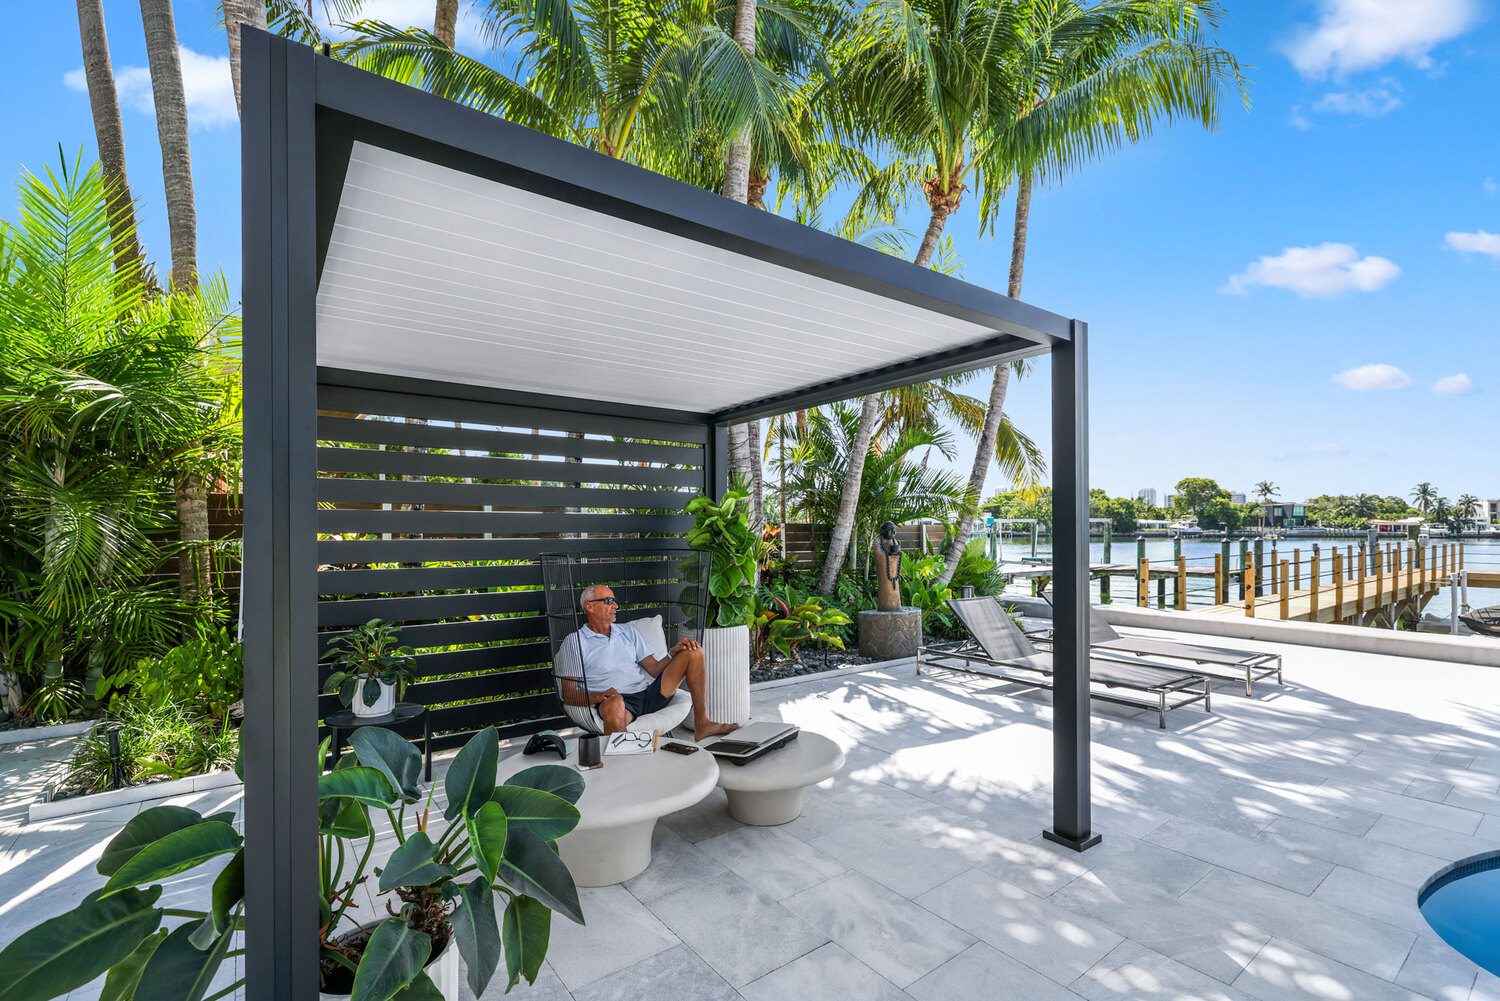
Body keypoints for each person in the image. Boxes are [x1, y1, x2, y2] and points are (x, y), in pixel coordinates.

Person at [554, 584, 739, 742]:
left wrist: (672, 654)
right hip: (620, 705)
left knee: (693, 652)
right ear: (590, 607)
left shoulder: (628, 632)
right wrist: (601, 696)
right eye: (609, 601)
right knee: (614, 703)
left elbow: (654, 669)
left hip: (648, 695)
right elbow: (569, 695)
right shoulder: (575, 642)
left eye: (615, 601)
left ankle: (702, 724)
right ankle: (624, 763)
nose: (616, 605)